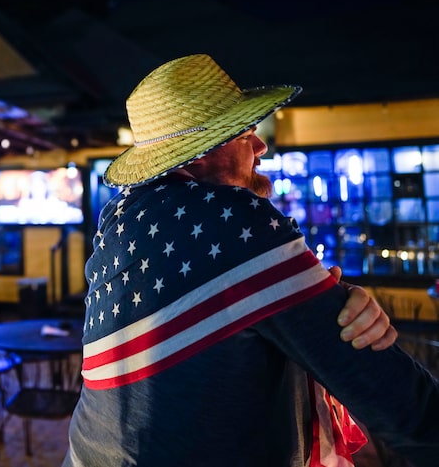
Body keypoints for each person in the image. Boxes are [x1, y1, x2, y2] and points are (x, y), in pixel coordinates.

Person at [63, 54, 439, 467]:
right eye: (245, 134)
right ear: (199, 154)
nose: (260, 147)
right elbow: (400, 404)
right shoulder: (232, 222)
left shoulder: (121, 218)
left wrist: (327, 296)